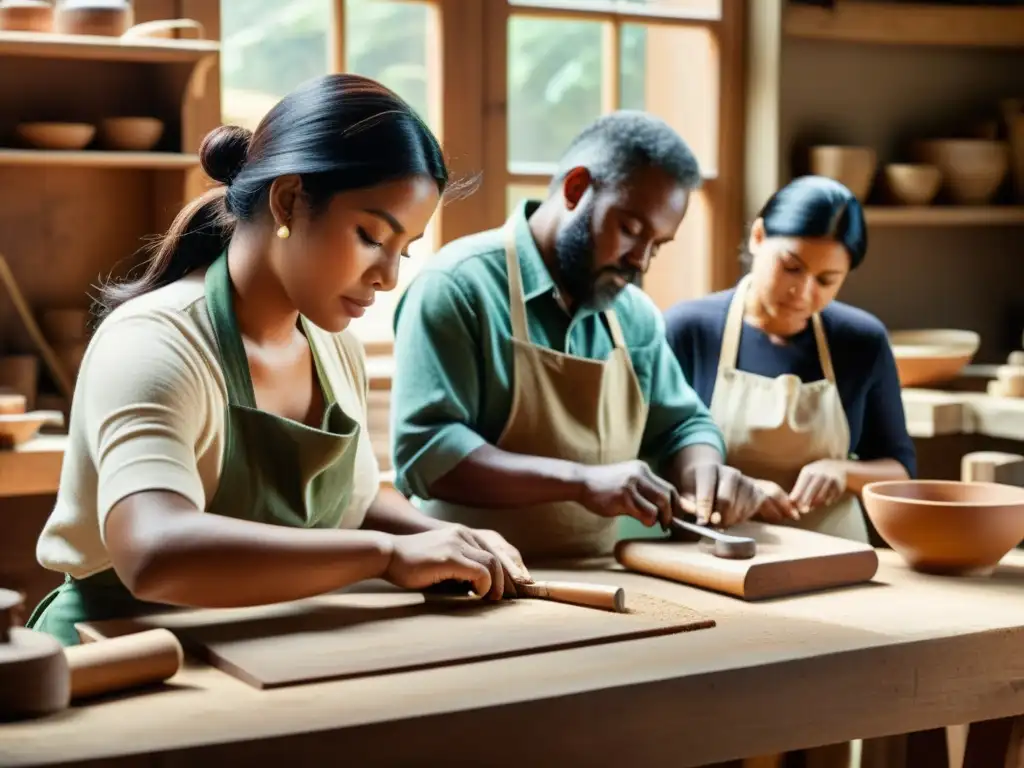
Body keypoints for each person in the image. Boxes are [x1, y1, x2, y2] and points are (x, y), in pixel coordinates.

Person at [26, 74, 529, 647]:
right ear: (288, 200)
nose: (389, 277)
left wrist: (448, 536)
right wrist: (388, 555)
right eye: (371, 236)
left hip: (261, 646)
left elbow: (357, 501)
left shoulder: (332, 343)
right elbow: (154, 552)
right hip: (119, 654)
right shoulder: (156, 342)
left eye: (403, 250)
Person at [389, 111, 771, 561]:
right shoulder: (457, 286)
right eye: (631, 230)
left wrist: (705, 470)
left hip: (603, 575)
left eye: (658, 245)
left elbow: (684, 426)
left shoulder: (634, 316)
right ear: (575, 190)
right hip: (470, 581)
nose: (641, 262)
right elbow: (428, 452)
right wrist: (582, 480)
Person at [662, 175, 916, 544]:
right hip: (715, 550)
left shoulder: (861, 340)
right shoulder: (690, 329)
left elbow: (900, 469)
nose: (803, 292)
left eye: (827, 280)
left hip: (834, 554)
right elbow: (655, 456)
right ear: (759, 237)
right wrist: (737, 489)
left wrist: (842, 472)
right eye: (791, 267)